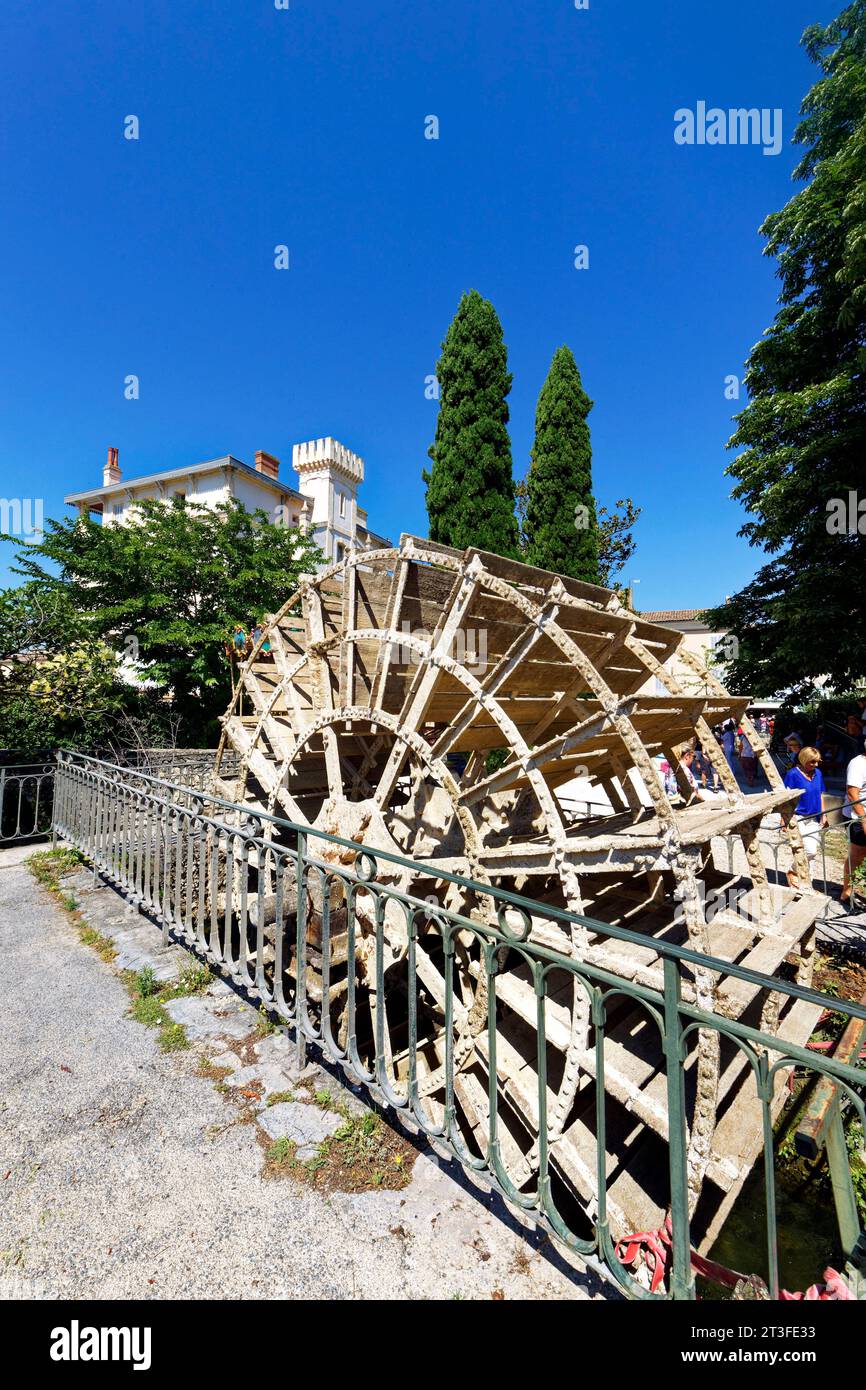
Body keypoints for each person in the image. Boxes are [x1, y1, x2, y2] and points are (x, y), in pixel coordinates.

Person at [782, 747, 828, 890]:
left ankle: (806, 883)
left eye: (817, 761)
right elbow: (786, 798)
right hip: (798, 817)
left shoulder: (818, 773)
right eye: (812, 762)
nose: (815, 765)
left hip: (814, 818)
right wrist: (784, 818)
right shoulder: (792, 774)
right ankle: (793, 872)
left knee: (812, 852)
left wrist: (824, 814)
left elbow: (820, 794)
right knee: (804, 850)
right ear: (803, 759)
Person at [841, 735, 866, 904]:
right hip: (857, 817)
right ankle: (846, 890)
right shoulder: (858, 764)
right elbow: (852, 794)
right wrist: (864, 819)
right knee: (857, 855)